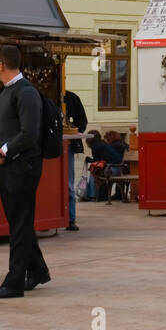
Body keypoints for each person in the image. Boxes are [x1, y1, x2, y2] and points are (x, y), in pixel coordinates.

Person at [0, 42, 50, 298]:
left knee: (20, 222)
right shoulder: (7, 92)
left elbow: (29, 133)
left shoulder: (26, 92)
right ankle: (38, 271)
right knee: (17, 222)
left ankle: (14, 282)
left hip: (23, 166)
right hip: (8, 166)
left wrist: (4, 152)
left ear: (1, 64)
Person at [63, 90, 88, 232]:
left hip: (67, 146)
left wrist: (72, 132)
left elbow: (82, 122)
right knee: (68, 182)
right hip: (64, 146)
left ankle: (70, 218)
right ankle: (69, 218)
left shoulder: (72, 98)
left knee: (69, 183)